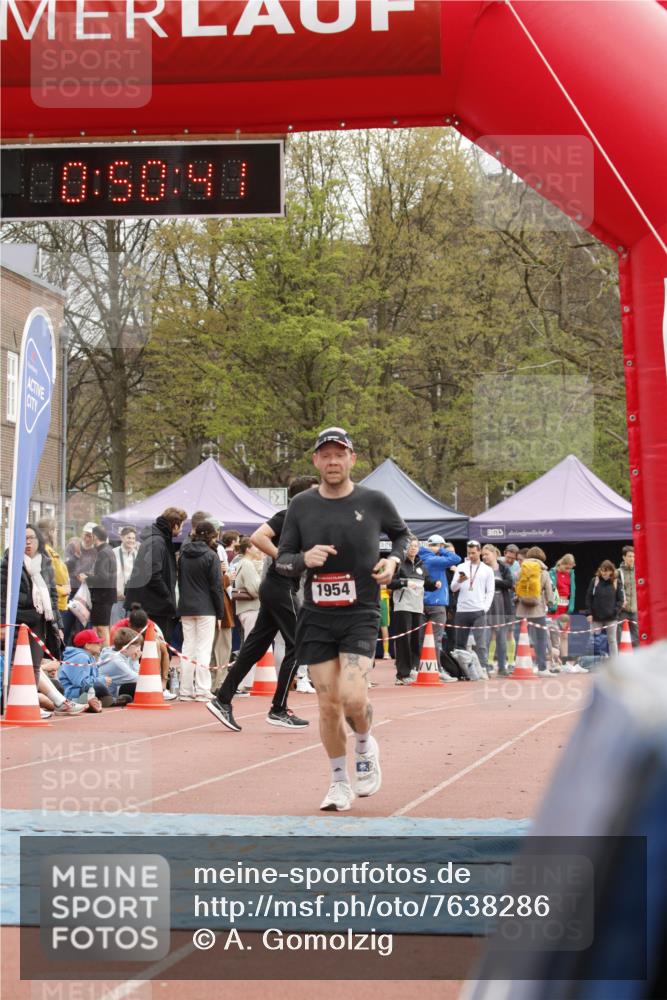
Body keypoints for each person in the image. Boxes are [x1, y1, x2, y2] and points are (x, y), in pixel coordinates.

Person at [275, 427, 409, 812]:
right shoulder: (301, 506)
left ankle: (364, 745)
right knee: (328, 705)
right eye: (326, 455)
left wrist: (393, 561)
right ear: (316, 461)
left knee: (352, 697)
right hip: (316, 617)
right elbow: (283, 560)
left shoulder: (374, 501)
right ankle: (338, 782)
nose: (333, 461)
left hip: (360, 613)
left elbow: (402, 536)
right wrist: (304, 559)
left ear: (352, 459)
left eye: (340, 454)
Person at [206, 475, 318, 731]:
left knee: (254, 647)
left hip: (278, 588)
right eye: (315, 492)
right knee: (299, 644)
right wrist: (285, 558)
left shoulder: (306, 521)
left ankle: (222, 699)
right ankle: (278, 708)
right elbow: (258, 537)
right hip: (280, 586)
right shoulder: (288, 515)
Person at [0, 524, 62, 685]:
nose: (28, 542)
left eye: (31, 538)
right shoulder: (10, 561)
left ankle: (31, 698)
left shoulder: (46, 563)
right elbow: (2, 595)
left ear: (38, 540)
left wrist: (58, 625)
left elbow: (53, 596)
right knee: (15, 663)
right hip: (17, 621)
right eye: (24, 538)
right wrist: (2, 623)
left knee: (34, 665)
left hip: (40, 620)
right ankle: (11, 697)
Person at [177, 520, 226, 702]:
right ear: (213, 535)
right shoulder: (211, 555)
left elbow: (181, 582)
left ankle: (185, 689)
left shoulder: (183, 554)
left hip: (186, 606)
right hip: (206, 607)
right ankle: (202, 689)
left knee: (187, 648)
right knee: (203, 649)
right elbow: (216, 587)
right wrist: (220, 613)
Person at [124, 507, 187, 642]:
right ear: (175, 525)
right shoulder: (158, 541)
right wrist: (167, 596)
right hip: (154, 606)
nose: (182, 529)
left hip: (151, 604)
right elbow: (153, 573)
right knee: (155, 646)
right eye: (182, 525)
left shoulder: (158, 539)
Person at [389, 536, 439, 684]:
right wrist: (405, 582)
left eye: (415, 546)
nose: (413, 548)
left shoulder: (421, 565)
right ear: (405, 548)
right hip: (403, 606)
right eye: (410, 546)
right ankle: (402, 675)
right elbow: (390, 583)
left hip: (417, 607)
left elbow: (426, 583)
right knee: (404, 640)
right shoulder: (399, 564)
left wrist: (434, 584)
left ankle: (413, 669)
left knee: (416, 640)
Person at [450, 540, 495, 674]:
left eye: (474, 553)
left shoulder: (487, 570)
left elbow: (490, 591)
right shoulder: (461, 567)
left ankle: (483, 669)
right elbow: (453, 588)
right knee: (460, 643)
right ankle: (463, 671)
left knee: (480, 643)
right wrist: (459, 581)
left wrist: (485, 608)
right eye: (469, 553)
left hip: (478, 610)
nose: (471, 556)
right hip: (462, 610)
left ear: (479, 552)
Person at [418, 534, 462, 657]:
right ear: (438, 546)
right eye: (442, 546)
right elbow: (456, 558)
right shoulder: (433, 560)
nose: (444, 549)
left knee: (422, 639)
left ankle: (421, 666)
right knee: (436, 639)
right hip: (436, 603)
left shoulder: (422, 557)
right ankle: (436, 667)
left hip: (423, 602)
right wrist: (441, 550)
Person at [515, 546, 554, 673]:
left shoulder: (521, 570)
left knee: (520, 638)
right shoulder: (544, 572)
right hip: (538, 611)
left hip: (521, 610)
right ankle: (542, 667)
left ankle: (519, 665)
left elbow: (516, 588)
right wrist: (550, 603)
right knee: (541, 639)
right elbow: (549, 592)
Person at [80, 525, 117, 645]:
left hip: (103, 597)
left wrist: (87, 578)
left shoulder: (103, 553)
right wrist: (89, 575)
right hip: (104, 596)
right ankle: (99, 652)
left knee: (101, 628)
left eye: (91, 536)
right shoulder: (107, 550)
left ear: (95, 537)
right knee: (97, 627)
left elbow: (103, 578)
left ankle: (105, 653)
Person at [481, 544, 514, 675]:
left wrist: (493, 582)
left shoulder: (504, 568)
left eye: (486, 554)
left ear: (494, 554)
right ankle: (485, 666)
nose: (484, 557)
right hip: (486, 608)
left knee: (502, 639)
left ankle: (502, 667)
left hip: (502, 607)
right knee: (486, 638)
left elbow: (509, 583)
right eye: (482, 555)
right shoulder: (481, 568)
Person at [59, 628, 112, 710]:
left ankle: (97, 701)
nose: (100, 645)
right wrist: (103, 680)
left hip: (81, 691)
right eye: (97, 643)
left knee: (99, 687)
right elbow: (82, 683)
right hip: (71, 694)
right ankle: (108, 701)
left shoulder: (90, 657)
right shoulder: (81, 657)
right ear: (87, 645)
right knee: (98, 686)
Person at [37, 518, 71, 640]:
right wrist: (62, 590)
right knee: (56, 641)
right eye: (56, 530)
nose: (56, 534)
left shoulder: (49, 551)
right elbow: (42, 580)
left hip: (59, 602)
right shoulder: (45, 552)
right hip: (54, 603)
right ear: (50, 532)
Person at [585, 560, 624, 660]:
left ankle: (614, 662)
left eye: (606, 571)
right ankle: (593, 661)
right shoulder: (595, 581)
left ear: (611, 571)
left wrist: (615, 611)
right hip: (596, 618)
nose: (604, 573)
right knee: (594, 640)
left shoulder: (616, 582)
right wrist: (589, 613)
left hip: (611, 618)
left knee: (612, 640)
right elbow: (588, 597)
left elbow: (621, 600)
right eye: (602, 570)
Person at [97, 627, 143, 701]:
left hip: (116, 688)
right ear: (124, 649)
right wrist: (135, 661)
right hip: (107, 693)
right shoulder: (116, 662)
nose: (139, 649)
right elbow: (139, 679)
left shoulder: (122, 653)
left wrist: (134, 660)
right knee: (140, 686)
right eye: (137, 646)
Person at [548, 554, 576, 663]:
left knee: (564, 635)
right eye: (566, 568)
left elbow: (572, 590)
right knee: (554, 635)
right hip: (554, 608)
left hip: (565, 607)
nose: (568, 570)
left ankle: (564, 660)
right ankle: (553, 660)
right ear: (561, 564)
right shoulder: (552, 573)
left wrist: (571, 605)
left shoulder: (571, 574)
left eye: (570, 568)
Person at [112, 526, 138, 625]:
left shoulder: (138, 554)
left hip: (132, 598)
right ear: (122, 538)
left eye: (133, 538)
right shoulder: (113, 553)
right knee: (116, 627)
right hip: (117, 598)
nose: (131, 540)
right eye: (129, 537)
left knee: (131, 628)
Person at [617, 546, 639, 646]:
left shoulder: (639, 570)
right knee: (620, 638)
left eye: (633, 556)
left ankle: (638, 655)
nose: (632, 559)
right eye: (629, 556)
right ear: (624, 557)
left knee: (637, 638)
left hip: (635, 609)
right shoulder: (618, 572)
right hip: (622, 610)